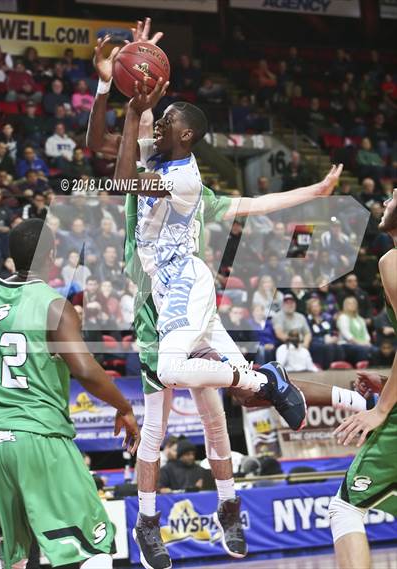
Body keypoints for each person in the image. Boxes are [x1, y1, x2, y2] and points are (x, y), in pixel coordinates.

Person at [86, 19, 351, 569]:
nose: (156, 129)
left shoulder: (179, 180)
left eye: (165, 125)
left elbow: (119, 178)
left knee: (211, 404)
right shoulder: (157, 159)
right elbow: (99, 146)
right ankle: (151, 522)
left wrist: (135, 106)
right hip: (155, 303)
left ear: (182, 136)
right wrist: (114, 81)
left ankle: (231, 493)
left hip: (185, 294)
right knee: (167, 426)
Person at [0, 218, 140, 569]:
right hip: (39, 437)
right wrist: (124, 407)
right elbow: (83, 369)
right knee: (94, 546)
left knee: (12, 557)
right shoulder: (54, 306)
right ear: (51, 255)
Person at [331, 188, 397, 569]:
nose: (386, 200)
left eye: (394, 197)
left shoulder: (391, 260)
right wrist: (389, 382)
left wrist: (381, 409)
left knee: (344, 509)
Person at [337, 296, 373, 365]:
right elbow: (347, 335)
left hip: (362, 343)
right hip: (346, 344)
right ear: (345, 306)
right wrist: (360, 343)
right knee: (363, 349)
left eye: (354, 303)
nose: (352, 305)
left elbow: (366, 334)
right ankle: (360, 365)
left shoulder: (361, 319)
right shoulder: (343, 317)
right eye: (349, 303)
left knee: (376, 350)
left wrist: (367, 342)